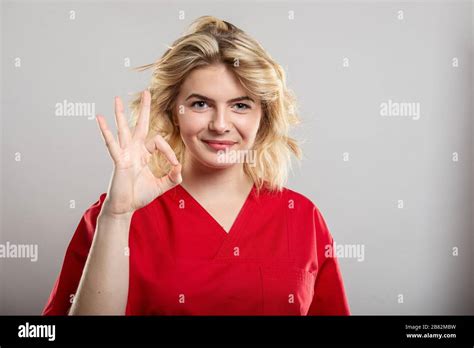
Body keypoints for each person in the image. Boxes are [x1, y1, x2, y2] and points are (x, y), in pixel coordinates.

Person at [42, 15, 350, 316]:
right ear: (174, 111)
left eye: (240, 105)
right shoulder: (113, 215)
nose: (219, 124)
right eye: (200, 104)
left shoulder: (302, 219)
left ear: (263, 116)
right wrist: (118, 217)